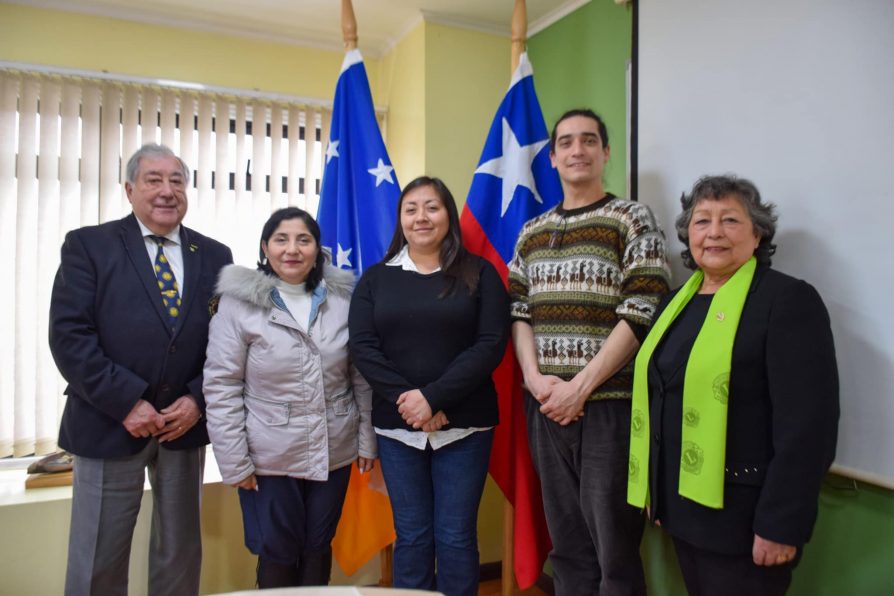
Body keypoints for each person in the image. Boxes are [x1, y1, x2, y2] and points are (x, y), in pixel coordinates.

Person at [627, 175, 839, 595]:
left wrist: (782, 525)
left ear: (758, 234)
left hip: (746, 519)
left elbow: (808, 428)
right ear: (688, 234)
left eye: (730, 220)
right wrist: (655, 486)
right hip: (683, 510)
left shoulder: (787, 301)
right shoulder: (674, 303)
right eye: (702, 221)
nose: (715, 232)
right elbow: (662, 397)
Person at [48, 144, 233, 596]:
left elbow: (226, 343)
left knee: (180, 554)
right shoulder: (89, 245)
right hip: (109, 422)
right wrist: (127, 402)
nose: (167, 191)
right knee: (98, 557)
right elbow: (70, 337)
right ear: (130, 189)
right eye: (154, 179)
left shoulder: (214, 255)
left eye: (176, 180)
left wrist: (197, 399)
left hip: (182, 427)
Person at [508, 109, 670, 596]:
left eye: (588, 140)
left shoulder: (630, 218)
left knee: (614, 550)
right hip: (546, 408)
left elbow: (643, 310)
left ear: (605, 153)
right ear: (553, 157)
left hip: (608, 407)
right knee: (568, 547)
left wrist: (581, 388)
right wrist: (537, 383)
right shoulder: (532, 231)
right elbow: (519, 314)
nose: (577, 150)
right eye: (566, 143)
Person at [348, 176, 510, 595]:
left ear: (448, 216)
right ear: (400, 219)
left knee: (455, 538)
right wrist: (414, 404)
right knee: (413, 537)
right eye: (411, 209)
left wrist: (434, 398)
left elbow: (491, 345)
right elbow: (364, 349)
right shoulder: (375, 280)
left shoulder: (480, 273)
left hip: (465, 427)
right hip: (398, 428)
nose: (422, 217)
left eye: (432, 207)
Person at [202, 207, 375, 588]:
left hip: (335, 448)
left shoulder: (343, 303)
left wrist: (366, 441)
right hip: (268, 456)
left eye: (304, 239)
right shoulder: (238, 304)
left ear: (318, 250)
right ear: (265, 248)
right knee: (278, 549)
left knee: (318, 545)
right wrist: (234, 460)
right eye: (281, 239)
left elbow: (361, 379)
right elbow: (221, 385)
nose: (292, 249)